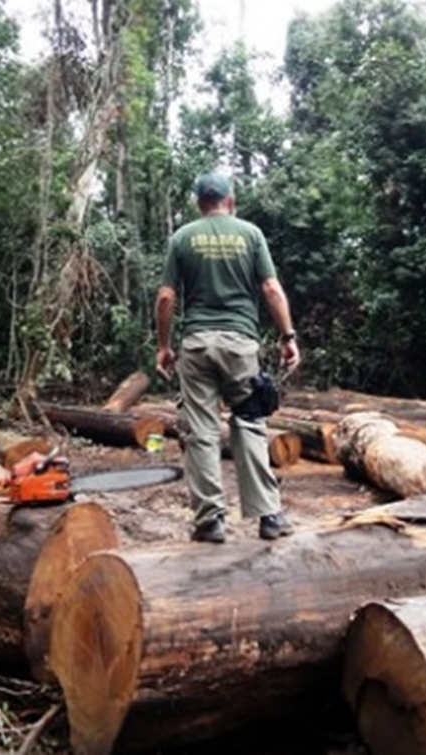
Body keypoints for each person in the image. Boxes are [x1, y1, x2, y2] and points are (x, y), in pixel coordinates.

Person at [154, 172, 301, 544]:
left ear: (198, 203)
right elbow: (270, 288)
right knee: (250, 424)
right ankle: (269, 517)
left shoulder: (183, 237)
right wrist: (288, 337)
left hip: (197, 345)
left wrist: (164, 346)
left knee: (200, 430)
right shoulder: (251, 234)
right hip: (241, 344)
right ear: (230, 200)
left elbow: (166, 298)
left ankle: (209, 522)